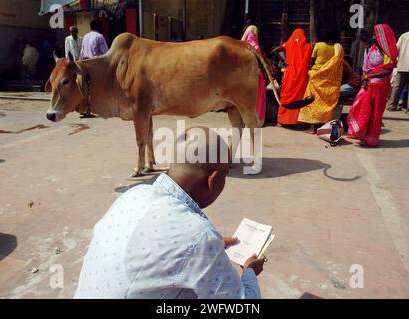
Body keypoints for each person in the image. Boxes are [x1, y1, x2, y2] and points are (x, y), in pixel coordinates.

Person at [74, 128, 265, 299]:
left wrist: (207, 250)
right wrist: (249, 272)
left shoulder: (134, 194)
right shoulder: (199, 236)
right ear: (213, 180)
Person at [347, 24, 398, 147]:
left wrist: (368, 77)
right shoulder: (373, 48)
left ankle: (370, 139)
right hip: (368, 84)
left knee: (375, 112)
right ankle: (361, 134)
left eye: (376, 35)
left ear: (383, 37)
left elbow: (387, 70)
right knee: (360, 107)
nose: (373, 37)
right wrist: (364, 77)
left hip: (380, 86)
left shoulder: (389, 52)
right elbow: (366, 66)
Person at [298, 26, 344, 126]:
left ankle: (312, 127)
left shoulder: (319, 45)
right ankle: (322, 124)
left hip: (316, 76)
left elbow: (311, 61)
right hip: (329, 80)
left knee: (312, 101)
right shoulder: (338, 48)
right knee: (324, 102)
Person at [273, 29, 312, 125]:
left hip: (289, 72)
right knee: (299, 97)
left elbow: (274, 51)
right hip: (302, 74)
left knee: (286, 95)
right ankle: (296, 120)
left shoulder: (287, 44)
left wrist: (285, 60)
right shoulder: (308, 47)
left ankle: (283, 120)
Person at [80, 19, 109, 118]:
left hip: (84, 64)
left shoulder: (85, 37)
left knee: (87, 88)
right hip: (96, 66)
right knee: (97, 88)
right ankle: (95, 109)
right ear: (99, 27)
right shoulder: (99, 37)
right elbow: (106, 52)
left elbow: (82, 52)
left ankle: (86, 109)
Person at [241, 25, 266, 123]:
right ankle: (256, 118)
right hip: (254, 73)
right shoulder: (255, 45)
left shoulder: (242, 44)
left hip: (243, 74)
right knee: (256, 97)